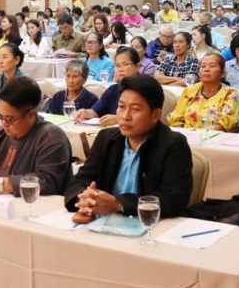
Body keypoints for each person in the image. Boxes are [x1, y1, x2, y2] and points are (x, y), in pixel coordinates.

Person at [65, 74, 194, 222]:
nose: (125, 116)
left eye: (135, 109)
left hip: (152, 224)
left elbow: (174, 200)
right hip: (106, 221)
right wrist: (85, 198)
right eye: (121, 107)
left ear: (155, 115)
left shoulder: (173, 145)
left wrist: (118, 204)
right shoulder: (106, 138)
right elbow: (79, 181)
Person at [0, 77, 73, 196]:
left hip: (35, 203)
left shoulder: (51, 137)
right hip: (1, 201)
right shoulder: (0, 134)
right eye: (0, 116)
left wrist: (2, 185)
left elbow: (47, 181)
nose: (4, 123)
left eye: (10, 119)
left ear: (30, 115)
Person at [168, 54, 239, 132]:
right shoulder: (189, 91)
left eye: (212, 66)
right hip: (186, 136)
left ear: (222, 73)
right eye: (203, 66)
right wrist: (184, 136)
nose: (206, 69)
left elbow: (224, 124)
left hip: (214, 137)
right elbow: (175, 119)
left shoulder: (230, 93)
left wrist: (201, 137)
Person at [75, 47, 140, 125]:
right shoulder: (113, 89)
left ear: (137, 66)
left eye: (125, 64)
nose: (120, 69)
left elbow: (146, 117)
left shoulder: (146, 88)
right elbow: (95, 111)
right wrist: (85, 112)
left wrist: (118, 118)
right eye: (118, 66)